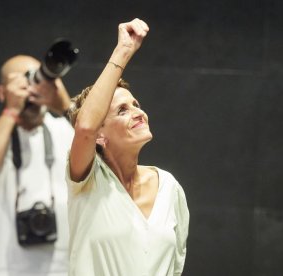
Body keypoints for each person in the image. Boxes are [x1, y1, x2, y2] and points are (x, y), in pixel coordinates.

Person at [65, 18, 190, 276]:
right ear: (100, 135)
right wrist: (124, 50)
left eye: (136, 104)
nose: (138, 113)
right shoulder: (87, 181)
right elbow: (85, 127)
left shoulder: (168, 186)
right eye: (122, 110)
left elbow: (176, 266)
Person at [0, 55, 74, 276]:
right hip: (4, 267)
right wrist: (12, 110)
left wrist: (64, 105)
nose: (30, 89)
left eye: (36, 80)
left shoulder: (67, 129)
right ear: (2, 92)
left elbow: (104, 147)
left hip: (64, 267)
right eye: (21, 82)